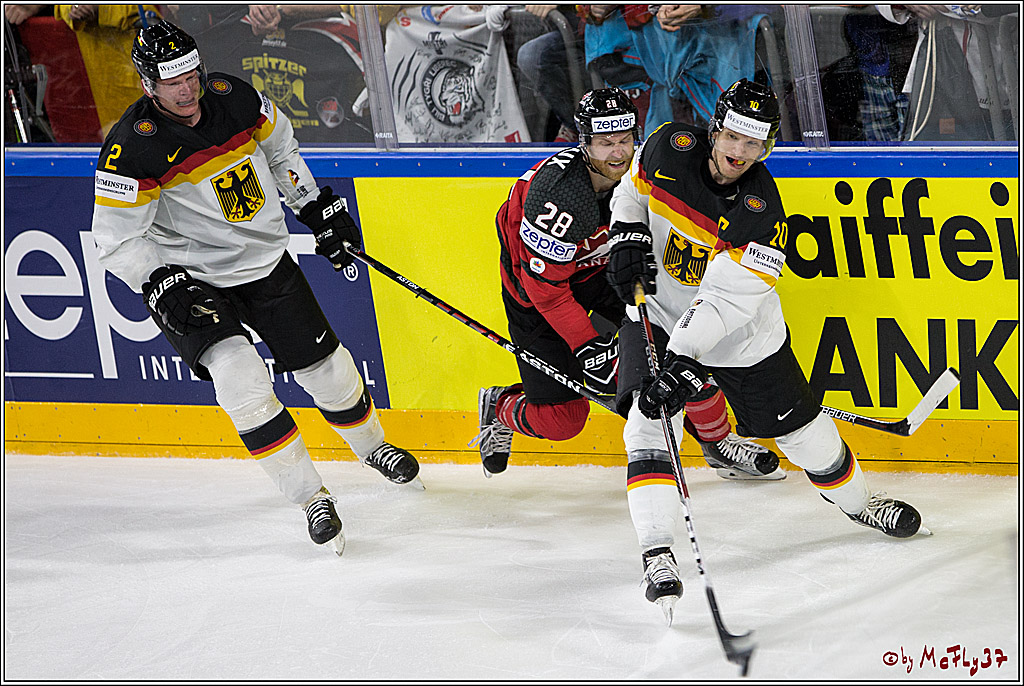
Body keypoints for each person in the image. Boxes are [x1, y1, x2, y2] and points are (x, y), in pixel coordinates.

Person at [90, 20, 421, 555]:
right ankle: (311, 495)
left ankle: (374, 449)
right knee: (241, 386)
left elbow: (283, 152)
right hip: (196, 281)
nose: (188, 88)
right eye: (172, 81)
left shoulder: (235, 96)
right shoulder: (130, 148)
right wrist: (157, 280)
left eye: (191, 73)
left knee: (329, 373)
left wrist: (315, 207)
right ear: (148, 85)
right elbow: (116, 240)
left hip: (266, 260)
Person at [606, 78, 926, 617]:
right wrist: (627, 233)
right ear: (715, 128)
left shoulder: (762, 213)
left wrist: (682, 360)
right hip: (657, 315)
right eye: (733, 135)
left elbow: (729, 302)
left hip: (740, 337)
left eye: (754, 144)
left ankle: (860, 504)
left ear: (768, 147)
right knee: (646, 421)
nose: (739, 152)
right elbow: (630, 194)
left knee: (801, 433)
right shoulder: (665, 145)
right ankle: (657, 552)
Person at [471, 87, 784, 485]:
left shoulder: (644, 166)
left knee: (681, 349)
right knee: (562, 421)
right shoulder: (560, 197)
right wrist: (589, 346)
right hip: (536, 295)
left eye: (624, 140)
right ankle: (500, 405)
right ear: (583, 143)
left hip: (600, 274)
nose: (618, 154)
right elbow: (546, 289)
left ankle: (717, 443)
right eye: (605, 144)